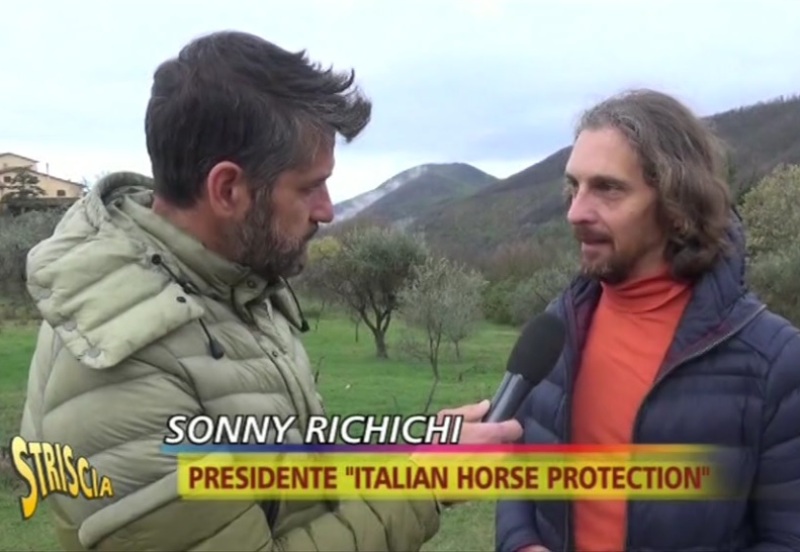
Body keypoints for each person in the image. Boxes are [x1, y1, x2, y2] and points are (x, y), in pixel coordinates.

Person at [18, 31, 522, 552]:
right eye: (309, 186)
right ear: (227, 190)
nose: (327, 210)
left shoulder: (228, 285)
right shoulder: (126, 365)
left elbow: (292, 479)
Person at [495, 89, 800, 552]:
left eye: (607, 188)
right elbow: (518, 462)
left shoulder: (774, 360)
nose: (576, 212)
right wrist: (522, 544)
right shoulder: (558, 329)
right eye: (574, 187)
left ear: (677, 206)